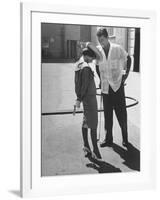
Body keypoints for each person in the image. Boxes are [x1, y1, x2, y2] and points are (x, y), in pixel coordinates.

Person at [96, 28, 131, 148]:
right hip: (106, 89)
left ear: (107, 38)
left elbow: (128, 59)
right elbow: (97, 66)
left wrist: (124, 76)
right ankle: (108, 139)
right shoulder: (98, 51)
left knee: (121, 114)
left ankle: (125, 139)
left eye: (102, 40)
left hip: (117, 87)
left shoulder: (117, 48)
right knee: (107, 115)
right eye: (99, 40)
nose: (101, 43)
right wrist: (100, 79)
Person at [74, 44, 102, 159]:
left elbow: (78, 84)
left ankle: (86, 146)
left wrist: (79, 98)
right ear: (86, 56)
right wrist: (79, 98)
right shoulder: (85, 67)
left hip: (85, 98)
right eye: (91, 58)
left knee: (86, 122)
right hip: (89, 99)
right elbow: (84, 85)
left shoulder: (79, 64)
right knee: (93, 124)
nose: (92, 60)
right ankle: (95, 149)